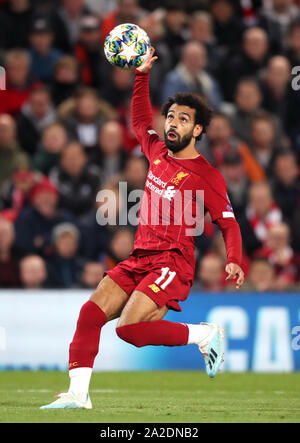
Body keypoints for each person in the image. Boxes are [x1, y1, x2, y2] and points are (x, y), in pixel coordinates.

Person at [41, 48, 244, 410]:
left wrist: (234, 259)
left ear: (197, 130)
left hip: (172, 261)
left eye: (183, 119)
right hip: (139, 257)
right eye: (169, 116)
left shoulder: (207, 174)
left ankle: (204, 334)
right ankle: (78, 394)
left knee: (128, 330)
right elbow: (137, 119)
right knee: (90, 314)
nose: (172, 123)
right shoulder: (156, 151)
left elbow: (228, 222)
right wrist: (141, 75)